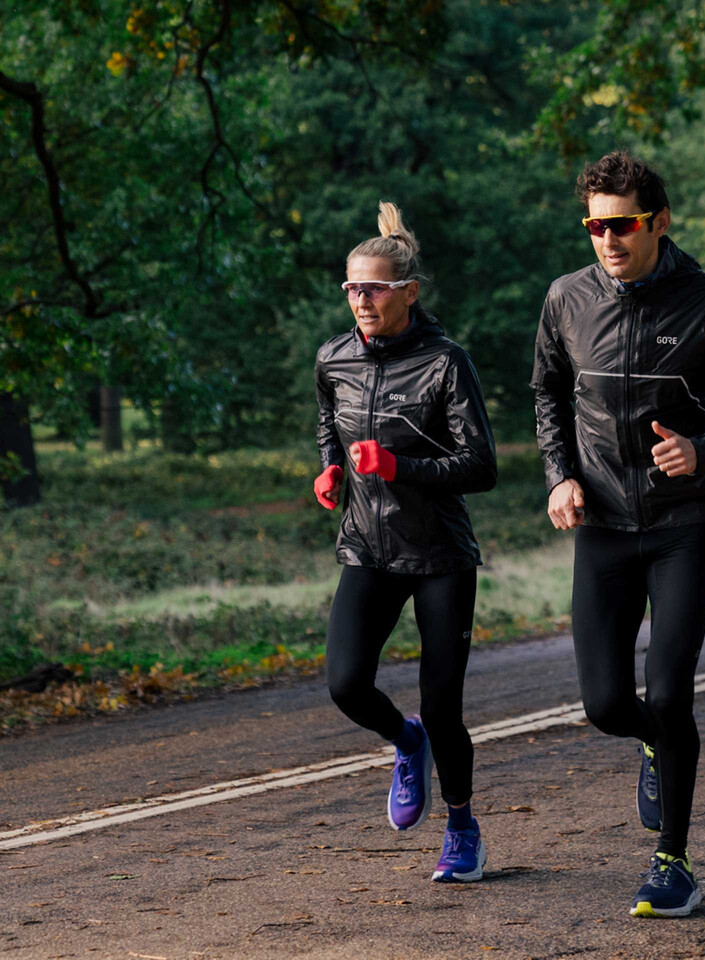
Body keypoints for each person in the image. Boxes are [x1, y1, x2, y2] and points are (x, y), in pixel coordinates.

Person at [531, 151, 705, 917]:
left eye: (623, 224)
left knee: (669, 692)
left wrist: (701, 450)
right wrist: (558, 477)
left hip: (683, 525)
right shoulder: (566, 300)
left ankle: (672, 860)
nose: (608, 239)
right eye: (595, 226)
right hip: (602, 523)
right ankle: (652, 741)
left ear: (659, 222)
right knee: (608, 704)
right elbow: (547, 392)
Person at [314, 201, 497, 883]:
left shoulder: (446, 364)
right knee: (345, 683)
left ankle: (462, 828)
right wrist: (331, 468)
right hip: (366, 547)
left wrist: (400, 468)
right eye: (352, 288)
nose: (362, 299)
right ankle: (402, 738)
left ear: (408, 292)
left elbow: (482, 466)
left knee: (445, 705)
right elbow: (328, 424)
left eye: (376, 288)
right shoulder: (333, 358)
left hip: (440, 557)